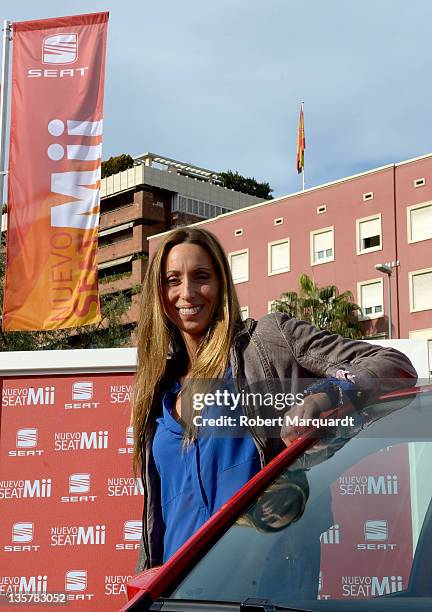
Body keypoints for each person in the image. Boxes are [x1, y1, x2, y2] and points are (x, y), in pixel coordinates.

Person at [132, 226, 417, 571]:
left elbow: (393, 365)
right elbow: (160, 517)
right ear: (157, 294)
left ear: (221, 284)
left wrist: (327, 394)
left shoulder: (267, 341)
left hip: (259, 584)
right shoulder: (157, 390)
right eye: (172, 280)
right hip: (180, 591)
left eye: (201, 277)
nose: (187, 293)